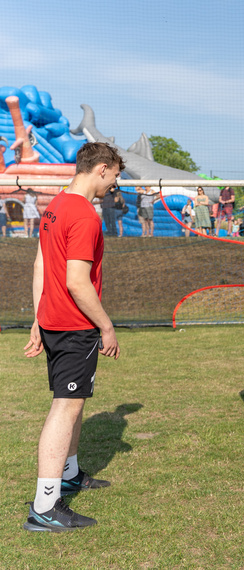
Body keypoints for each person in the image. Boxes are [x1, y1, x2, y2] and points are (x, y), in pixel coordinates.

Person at [22, 141, 124, 532]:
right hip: (73, 326)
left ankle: (69, 473)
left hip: (54, 321)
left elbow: (40, 266)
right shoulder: (83, 214)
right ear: (101, 169)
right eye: (114, 176)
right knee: (65, 407)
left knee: (75, 403)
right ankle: (44, 507)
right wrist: (106, 325)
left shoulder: (55, 205)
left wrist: (37, 318)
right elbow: (76, 281)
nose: (113, 184)